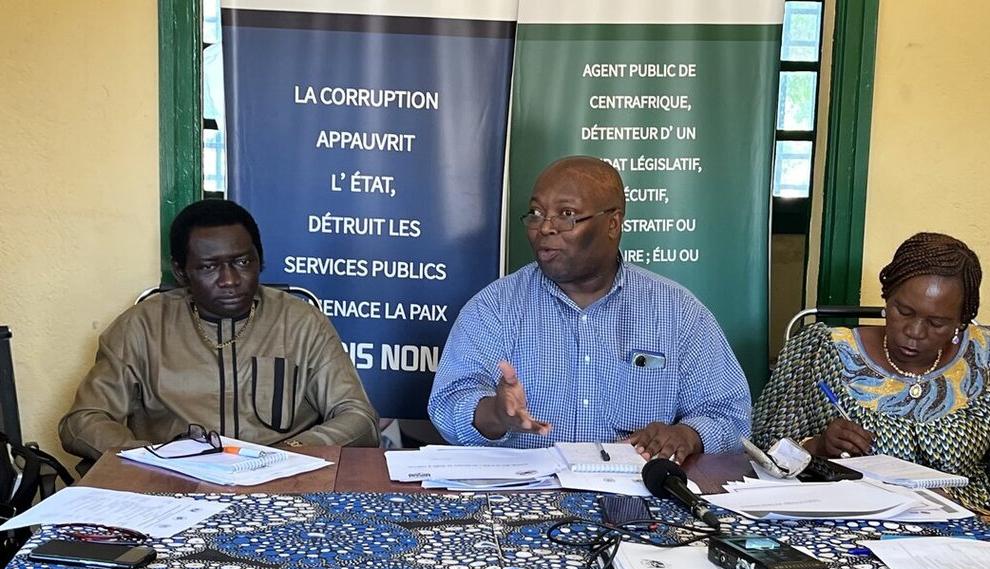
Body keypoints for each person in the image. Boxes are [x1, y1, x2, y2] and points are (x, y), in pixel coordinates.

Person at [428, 156, 750, 461]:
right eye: (536, 213)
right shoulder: (494, 307)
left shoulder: (677, 312)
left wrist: (686, 435)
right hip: (525, 493)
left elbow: (731, 416)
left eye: (566, 214)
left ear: (612, 224)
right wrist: (496, 414)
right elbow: (448, 404)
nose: (545, 228)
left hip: (634, 494)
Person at [59, 199, 379, 471]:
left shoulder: (301, 322)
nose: (230, 280)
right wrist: (151, 458)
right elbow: (82, 421)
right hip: (173, 483)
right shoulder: (141, 327)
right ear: (181, 271)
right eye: (209, 267)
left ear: (260, 260)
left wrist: (290, 452)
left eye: (242, 261)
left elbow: (358, 418)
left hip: (284, 478)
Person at [753, 232, 990, 511]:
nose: (915, 332)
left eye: (936, 323)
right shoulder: (822, 351)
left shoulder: (982, 360)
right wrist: (817, 446)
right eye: (904, 311)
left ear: (961, 321)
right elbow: (763, 451)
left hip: (967, 519)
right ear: (887, 298)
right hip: (851, 517)